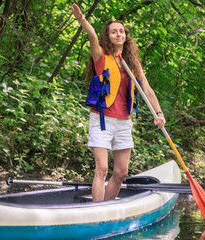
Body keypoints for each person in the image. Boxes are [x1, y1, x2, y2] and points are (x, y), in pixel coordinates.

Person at [71, 4, 166, 202]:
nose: (118, 34)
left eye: (121, 31)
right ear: (108, 36)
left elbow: (147, 89)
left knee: (121, 172)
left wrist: (158, 113)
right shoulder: (101, 57)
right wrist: (83, 21)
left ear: (126, 36)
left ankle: (106, 206)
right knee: (102, 169)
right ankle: (97, 211)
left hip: (123, 121)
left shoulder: (132, 63)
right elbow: (92, 37)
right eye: (113, 32)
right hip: (102, 119)